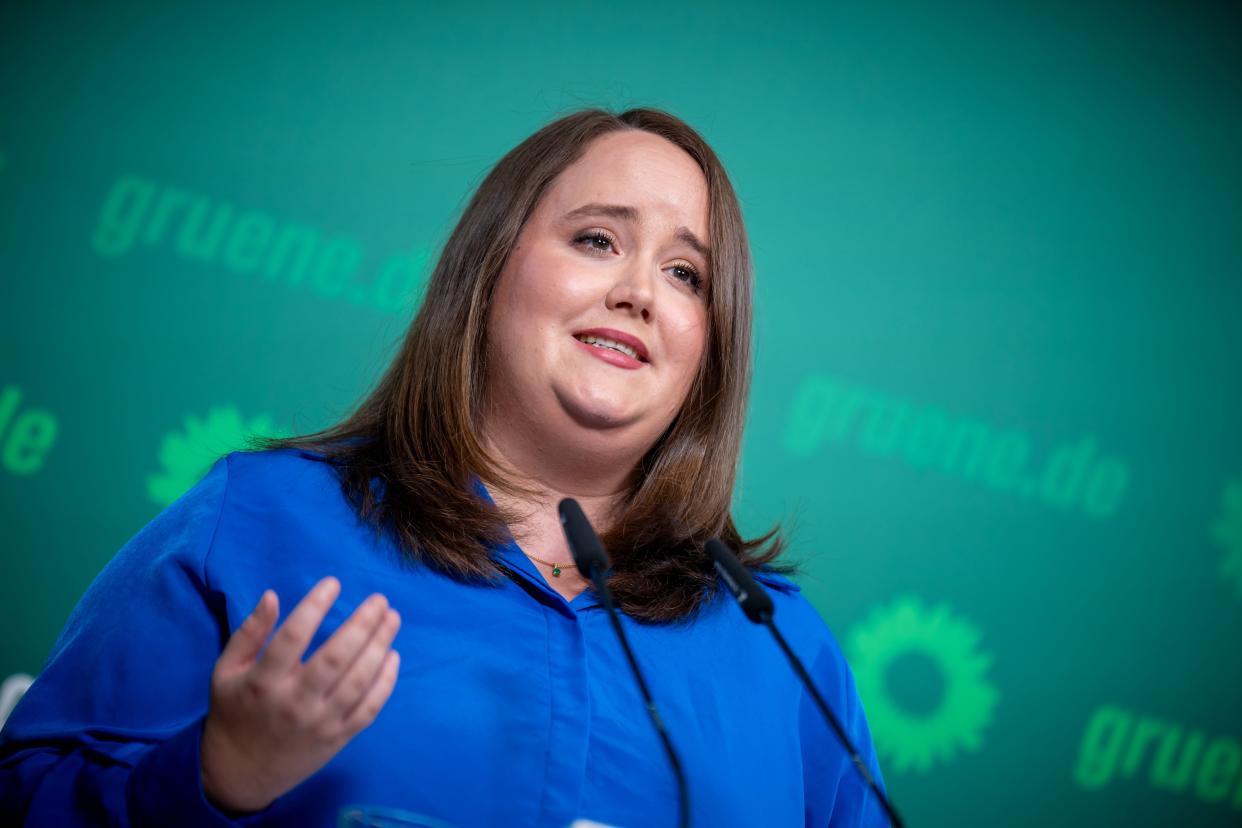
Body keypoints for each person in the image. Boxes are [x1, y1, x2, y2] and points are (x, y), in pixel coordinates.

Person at [0, 107, 888, 826]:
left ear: (710, 349)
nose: (640, 292)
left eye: (688, 274)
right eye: (596, 241)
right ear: (487, 272)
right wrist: (214, 777)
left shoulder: (781, 641)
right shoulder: (262, 521)